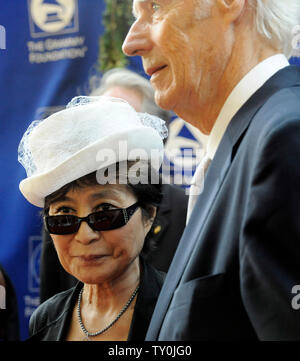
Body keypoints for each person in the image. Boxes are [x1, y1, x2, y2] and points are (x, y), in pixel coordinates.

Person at [122, 0, 300, 340]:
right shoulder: (248, 142)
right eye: (135, 16)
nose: (131, 42)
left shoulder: (285, 137)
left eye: (155, 7)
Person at [18, 96, 168, 341]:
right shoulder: (45, 319)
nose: (85, 235)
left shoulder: (180, 313)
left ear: (148, 215)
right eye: (64, 215)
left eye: (105, 212)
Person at [39, 68, 188, 304]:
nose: (84, 235)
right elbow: (52, 295)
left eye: (121, 124)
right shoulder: (62, 210)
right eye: (99, 124)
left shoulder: (190, 212)